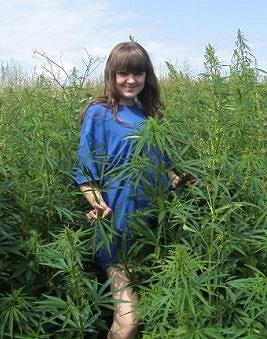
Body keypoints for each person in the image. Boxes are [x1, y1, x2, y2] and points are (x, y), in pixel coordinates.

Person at [72, 41, 181, 339]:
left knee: (130, 321)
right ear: (112, 75)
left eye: (138, 73)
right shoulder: (99, 112)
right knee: (130, 319)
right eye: (123, 73)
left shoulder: (151, 116)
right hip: (116, 230)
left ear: (148, 76)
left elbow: (164, 168)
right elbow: (85, 171)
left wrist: (185, 182)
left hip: (152, 231)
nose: (131, 80)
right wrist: (96, 204)